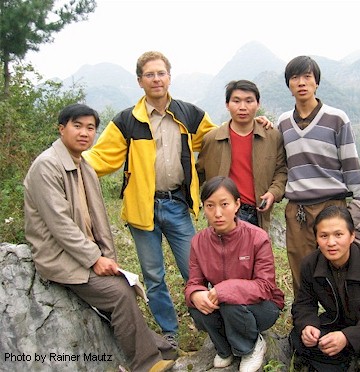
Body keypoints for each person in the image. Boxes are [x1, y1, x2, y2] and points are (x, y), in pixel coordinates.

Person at [83, 52, 272, 343]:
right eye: (149, 74)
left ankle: (214, 323)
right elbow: (100, 157)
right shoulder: (127, 121)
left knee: (195, 270)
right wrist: (64, 162)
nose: (156, 79)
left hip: (177, 204)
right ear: (139, 81)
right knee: (154, 276)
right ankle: (170, 332)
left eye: (161, 73)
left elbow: (222, 136)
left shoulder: (189, 115)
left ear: (169, 77)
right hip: (141, 209)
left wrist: (258, 124)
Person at [24, 103, 175, 372]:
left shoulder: (84, 166)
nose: (84, 133)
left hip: (83, 254)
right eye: (77, 126)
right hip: (60, 257)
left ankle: (161, 348)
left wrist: (108, 257)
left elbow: (99, 220)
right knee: (118, 293)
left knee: (123, 285)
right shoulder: (47, 166)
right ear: (62, 129)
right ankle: (146, 362)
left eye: (91, 128)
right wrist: (95, 259)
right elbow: (60, 225)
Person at [277, 55, 360, 295]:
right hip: (297, 209)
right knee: (300, 268)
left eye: (307, 77)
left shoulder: (337, 118)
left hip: (332, 205)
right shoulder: (283, 122)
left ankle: (342, 323)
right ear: (289, 85)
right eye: (295, 78)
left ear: (317, 82)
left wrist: (359, 201)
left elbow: (350, 161)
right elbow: (282, 165)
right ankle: (303, 324)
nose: (302, 82)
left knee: (339, 265)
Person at [184, 176, 284, 372]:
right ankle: (225, 349)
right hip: (226, 304)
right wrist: (195, 294)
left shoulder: (257, 237)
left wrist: (226, 289)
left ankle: (251, 347)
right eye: (210, 206)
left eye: (224, 204)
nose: (218, 213)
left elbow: (265, 286)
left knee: (230, 303)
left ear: (237, 204)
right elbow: (194, 282)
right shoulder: (199, 242)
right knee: (198, 308)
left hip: (262, 307)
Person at [290, 205, 360, 372]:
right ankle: (345, 362)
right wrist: (308, 325)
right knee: (299, 337)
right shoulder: (310, 264)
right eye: (323, 236)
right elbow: (304, 304)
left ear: (352, 236)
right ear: (316, 238)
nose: (331, 243)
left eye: (338, 235)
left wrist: (348, 337)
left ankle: (350, 359)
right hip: (337, 323)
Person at [196, 79, 287, 231]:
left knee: (255, 255)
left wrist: (273, 193)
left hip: (257, 214)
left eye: (249, 101)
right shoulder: (212, 139)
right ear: (227, 105)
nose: (242, 107)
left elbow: (281, 171)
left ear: (258, 104)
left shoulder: (272, 137)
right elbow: (197, 175)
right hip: (223, 214)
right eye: (236, 101)